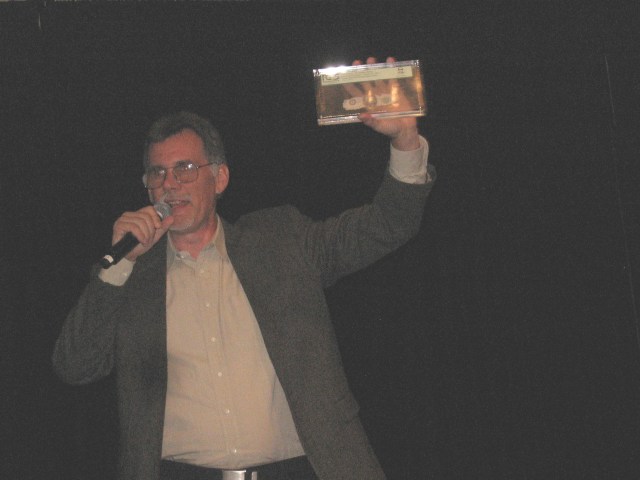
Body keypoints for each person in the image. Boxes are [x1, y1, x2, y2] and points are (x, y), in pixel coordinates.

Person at [53, 57, 436, 480]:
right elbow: (75, 365)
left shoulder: (281, 242)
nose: (169, 184)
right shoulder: (133, 278)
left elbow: (387, 225)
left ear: (219, 179)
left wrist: (405, 140)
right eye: (157, 173)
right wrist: (119, 264)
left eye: (185, 169)